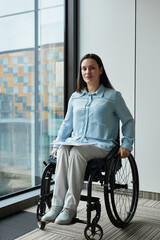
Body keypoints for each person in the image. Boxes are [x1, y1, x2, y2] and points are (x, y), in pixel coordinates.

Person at [41, 53, 135, 225]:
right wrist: (58, 143)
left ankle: (70, 209)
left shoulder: (113, 96)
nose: (87, 72)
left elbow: (128, 120)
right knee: (63, 150)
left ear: (100, 70)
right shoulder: (76, 97)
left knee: (77, 153)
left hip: (103, 145)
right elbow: (67, 124)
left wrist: (126, 144)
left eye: (92, 68)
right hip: (78, 142)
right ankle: (56, 206)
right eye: (84, 68)